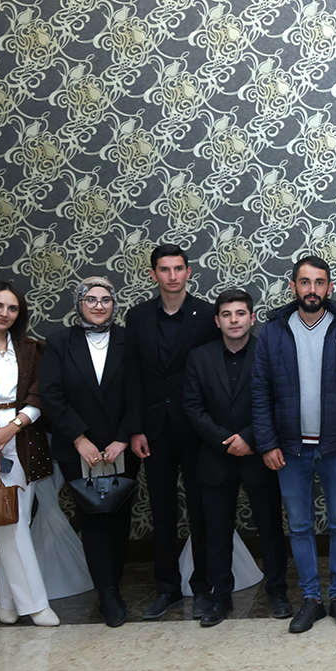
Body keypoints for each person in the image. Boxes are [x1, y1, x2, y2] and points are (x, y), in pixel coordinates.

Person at [251, 256, 336, 633]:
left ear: (329, 287)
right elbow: (260, 392)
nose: (312, 289)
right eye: (305, 282)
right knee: (300, 525)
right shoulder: (273, 332)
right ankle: (311, 598)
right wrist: (267, 443)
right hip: (290, 450)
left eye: (319, 283)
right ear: (293, 287)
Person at [182, 289, 291, 626]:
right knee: (216, 533)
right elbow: (193, 407)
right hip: (215, 457)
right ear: (217, 321)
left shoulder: (269, 354)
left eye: (240, 313)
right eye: (227, 315)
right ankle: (220, 597)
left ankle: (277, 591)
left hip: (260, 454)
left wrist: (249, 438)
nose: (234, 320)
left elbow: (280, 402)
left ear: (252, 318)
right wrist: (225, 441)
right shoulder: (199, 357)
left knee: (270, 529)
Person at [125, 244, 221, 620]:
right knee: (162, 511)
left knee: (201, 510)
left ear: (188, 272)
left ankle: (203, 586)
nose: (172, 276)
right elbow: (133, 376)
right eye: (164, 269)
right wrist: (135, 429)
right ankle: (167, 588)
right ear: (153, 274)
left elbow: (215, 373)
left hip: (197, 429)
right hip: (154, 430)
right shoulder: (138, 317)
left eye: (178, 268)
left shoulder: (208, 314)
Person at [39, 277, 137, 627]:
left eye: (105, 299)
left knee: (119, 515)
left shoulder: (130, 339)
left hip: (122, 446)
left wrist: (123, 437)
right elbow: (51, 394)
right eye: (91, 299)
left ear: (114, 303)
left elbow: (140, 391)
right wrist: (80, 439)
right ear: (79, 303)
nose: (98, 305)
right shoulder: (59, 342)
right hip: (77, 447)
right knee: (93, 517)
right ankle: (107, 594)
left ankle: (115, 585)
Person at [0, 281, 59, 627]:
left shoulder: (30, 349)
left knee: (15, 521)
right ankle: (35, 604)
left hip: (23, 439)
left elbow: (39, 393)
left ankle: (6, 604)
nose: (4, 313)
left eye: (12, 308)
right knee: (9, 524)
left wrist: (13, 427)